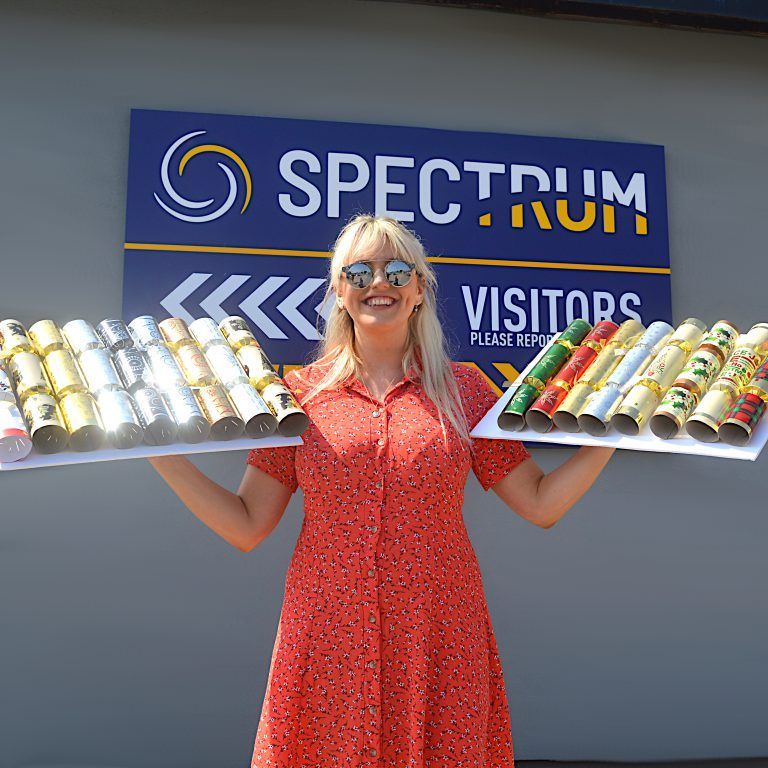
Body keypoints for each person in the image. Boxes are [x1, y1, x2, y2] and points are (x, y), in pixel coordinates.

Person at [148, 214, 615, 767]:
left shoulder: (464, 390)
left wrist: (607, 438)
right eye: (360, 271)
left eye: (398, 271)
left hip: (438, 631)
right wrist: (161, 456)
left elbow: (540, 503)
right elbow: (248, 523)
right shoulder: (296, 396)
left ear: (420, 290)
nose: (380, 283)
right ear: (339, 291)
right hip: (328, 630)